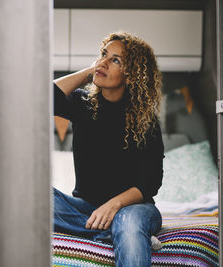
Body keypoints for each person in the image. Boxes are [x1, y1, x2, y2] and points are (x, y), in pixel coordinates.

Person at [53, 31, 164, 267]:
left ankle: (121, 229)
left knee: (128, 221)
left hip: (134, 209)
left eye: (116, 60)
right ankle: (110, 232)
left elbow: (151, 181)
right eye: (104, 54)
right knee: (34, 199)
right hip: (85, 209)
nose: (103, 61)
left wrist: (113, 206)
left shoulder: (146, 120)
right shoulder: (82, 104)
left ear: (131, 75)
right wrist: (88, 73)